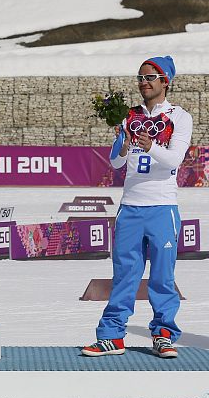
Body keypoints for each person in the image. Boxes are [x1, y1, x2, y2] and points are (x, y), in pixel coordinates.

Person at [82, 55, 192, 358]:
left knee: (162, 277)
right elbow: (116, 162)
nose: (144, 82)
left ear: (165, 81)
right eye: (140, 77)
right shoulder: (128, 115)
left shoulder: (179, 117)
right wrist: (124, 146)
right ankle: (112, 336)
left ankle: (164, 335)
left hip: (162, 208)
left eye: (150, 77)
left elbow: (174, 160)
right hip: (130, 207)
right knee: (125, 275)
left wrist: (151, 146)